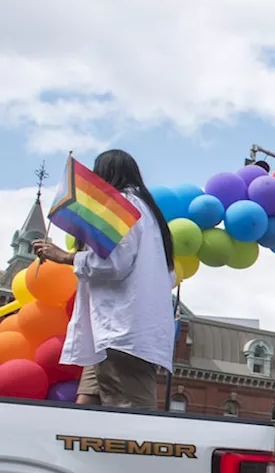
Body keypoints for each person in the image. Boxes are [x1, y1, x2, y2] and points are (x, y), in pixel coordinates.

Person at [33, 149, 176, 409]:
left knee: (131, 420)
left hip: (120, 332)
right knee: (87, 402)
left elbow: (114, 264)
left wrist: (66, 257)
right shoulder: (151, 214)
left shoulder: (121, 207)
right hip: (120, 334)